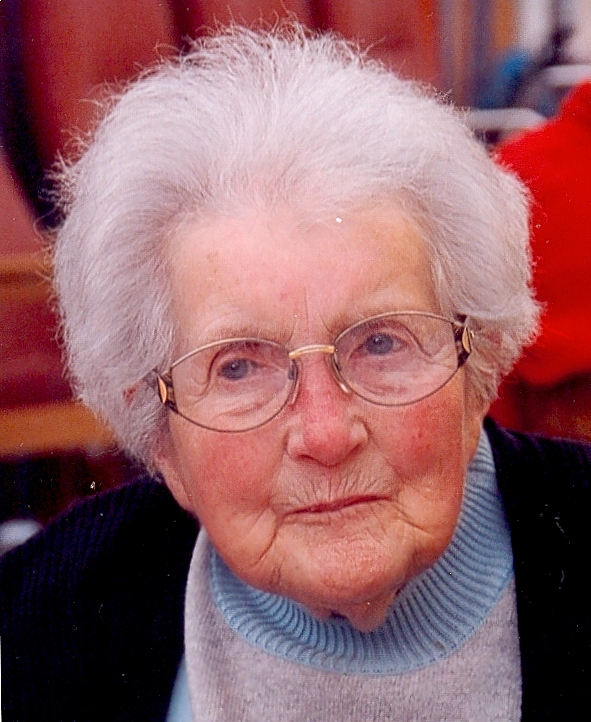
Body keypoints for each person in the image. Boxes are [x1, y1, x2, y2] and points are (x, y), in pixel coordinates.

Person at [1, 25, 590, 722]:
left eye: (381, 344)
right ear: (162, 439)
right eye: (238, 367)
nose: (326, 434)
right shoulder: (41, 621)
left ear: (479, 372)